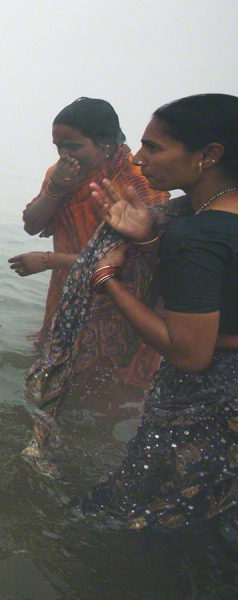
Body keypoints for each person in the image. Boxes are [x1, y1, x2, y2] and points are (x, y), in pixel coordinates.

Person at [77, 94, 238, 529]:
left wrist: (106, 281)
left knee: (131, 514)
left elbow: (189, 353)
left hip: (207, 404)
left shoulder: (200, 234)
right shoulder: (212, 220)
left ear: (208, 155)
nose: (141, 161)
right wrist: (149, 241)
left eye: (155, 147)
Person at [9, 98, 169, 386]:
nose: (64, 155)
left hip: (120, 301)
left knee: (108, 390)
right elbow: (31, 224)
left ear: (106, 143)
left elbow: (134, 261)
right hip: (68, 293)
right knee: (50, 378)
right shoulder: (61, 173)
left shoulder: (137, 182)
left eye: (73, 147)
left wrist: (48, 260)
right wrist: (56, 188)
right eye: (58, 147)